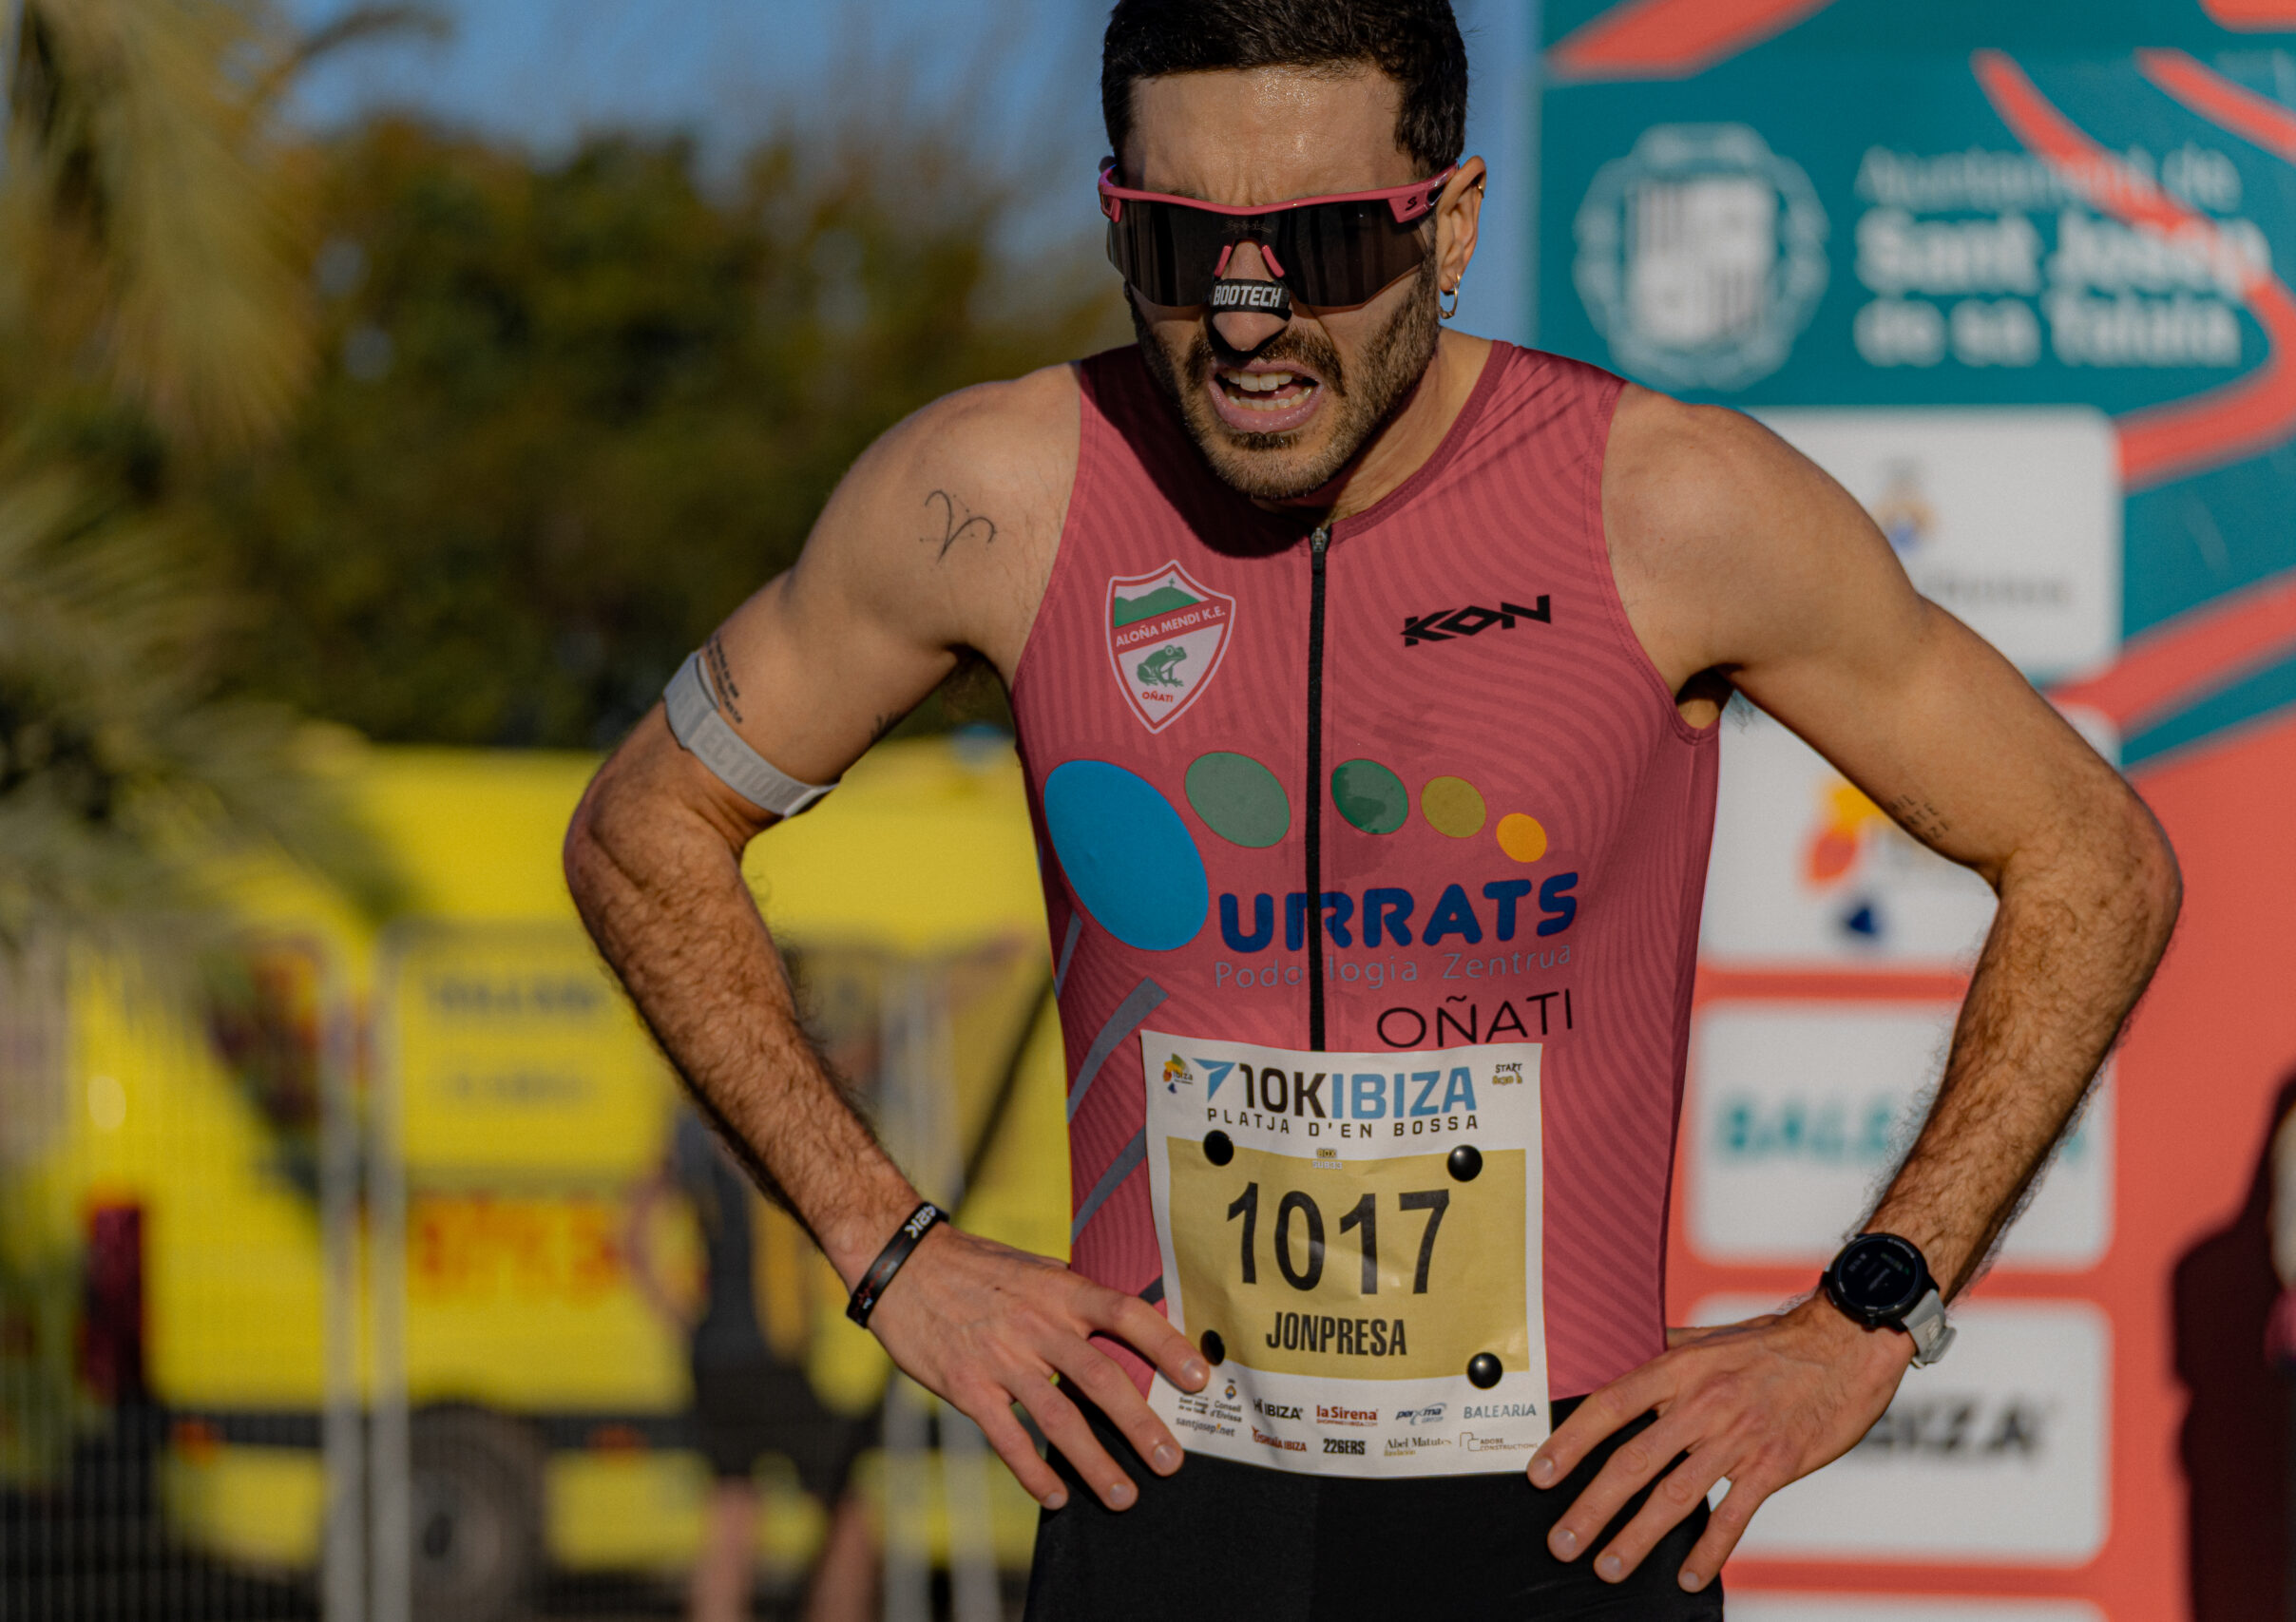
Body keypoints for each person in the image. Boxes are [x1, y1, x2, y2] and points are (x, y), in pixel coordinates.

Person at [564, 0, 2180, 1612]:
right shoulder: (996, 492)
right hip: (1160, 1501)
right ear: (1114, 219)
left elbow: (2091, 859)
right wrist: (889, 1250)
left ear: (1450, 223)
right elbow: (643, 830)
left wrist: (1870, 1313)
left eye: (1324, 242)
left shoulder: (1671, 504)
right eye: (1182, 247)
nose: (1249, 319)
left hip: (1561, 1518)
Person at [627, 1106, 876, 1622]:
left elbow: (633, 1237)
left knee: (733, 1510)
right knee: (847, 1514)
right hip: (769, 1358)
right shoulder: (763, 1130)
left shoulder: (688, 1135)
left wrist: (680, 1315)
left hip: (711, 1354)